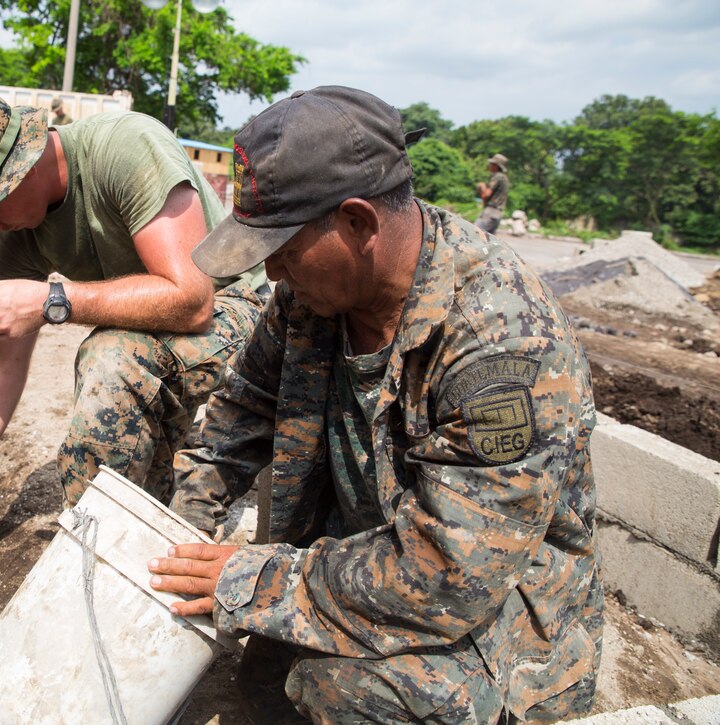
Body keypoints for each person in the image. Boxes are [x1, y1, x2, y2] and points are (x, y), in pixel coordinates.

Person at [148, 86, 602, 723]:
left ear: (358, 223)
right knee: (266, 682)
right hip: (366, 561)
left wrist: (255, 578)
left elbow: (451, 573)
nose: (273, 274)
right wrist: (180, 529)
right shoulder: (311, 298)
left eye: (282, 248)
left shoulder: (503, 344)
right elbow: (242, 412)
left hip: (496, 612)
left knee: (339, 691)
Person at [0, 86, 268, 551]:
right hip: (159, 336)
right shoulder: (16, 237)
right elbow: (4, 364)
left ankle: (92, 553)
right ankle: (134, 531)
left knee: (110, 355)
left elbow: (194, 300)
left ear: (21, 169)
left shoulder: (126, 148)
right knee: (146, 498)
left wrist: (52, 301)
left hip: (239, 312)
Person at [475, 152, 510, 234]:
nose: (489, 165)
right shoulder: (504, 178)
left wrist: (482, 186)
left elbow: (486, 194)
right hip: (497, 213)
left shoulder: (498, 176)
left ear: (496, 166)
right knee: (488, 241)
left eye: (491, 164)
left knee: (474, 234)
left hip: (491, 212)